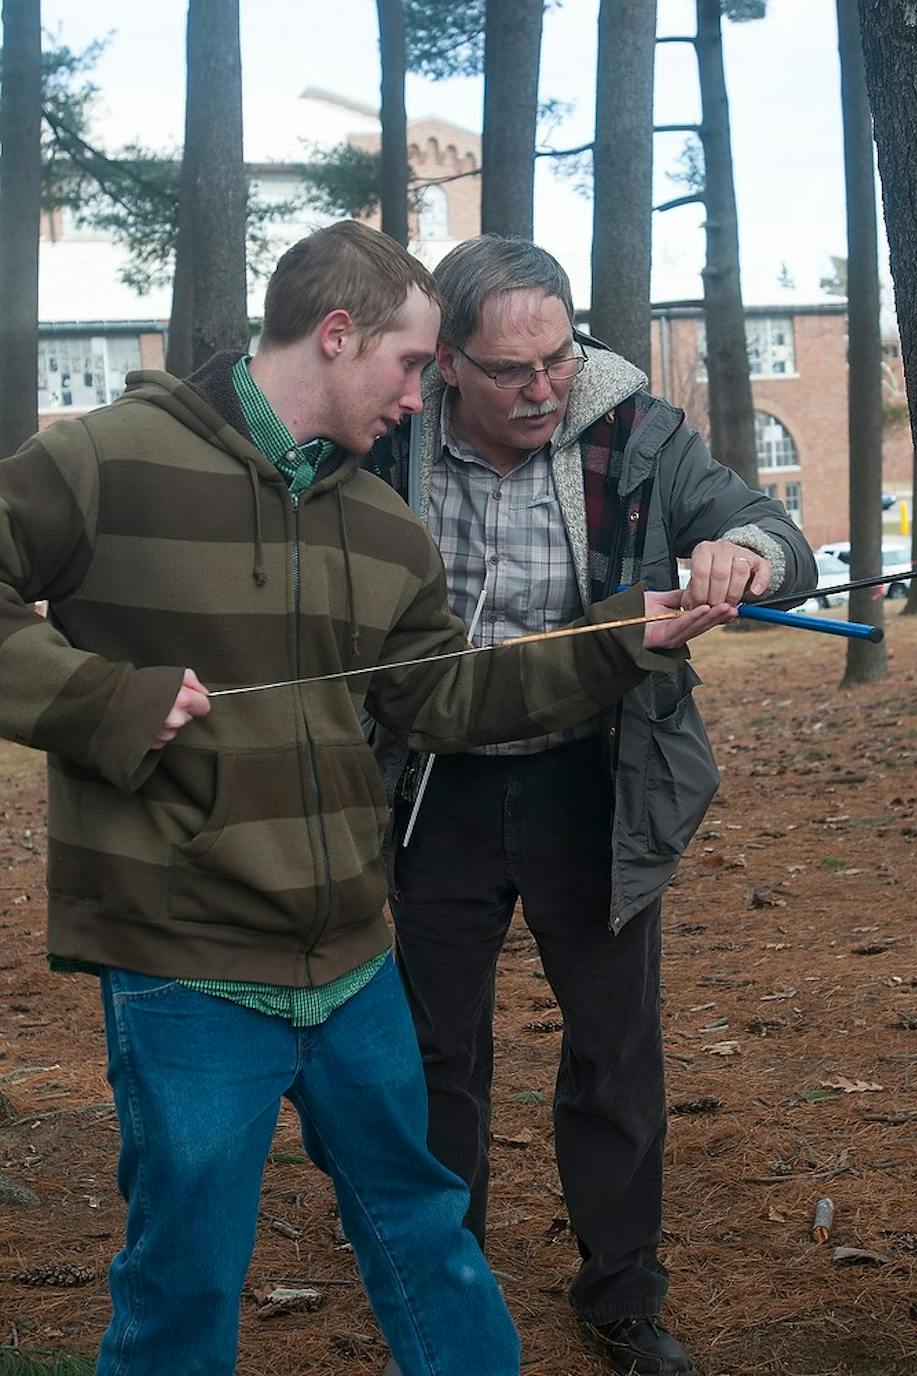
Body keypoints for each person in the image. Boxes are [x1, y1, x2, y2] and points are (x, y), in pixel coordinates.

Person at [0, 221, 735, 1376]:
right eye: (412, 364)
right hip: (184, 960)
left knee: (424, 1233)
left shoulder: (380, 524)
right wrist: (95, 697)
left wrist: (619, 643)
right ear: (337, 336)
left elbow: (447, 694)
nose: (421, 393)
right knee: (183, 1272)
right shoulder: (107, 460)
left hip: (350, 957)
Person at [364, 235, 816, 1376]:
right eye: (508, 368)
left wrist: (739, 553)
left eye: (556, 359)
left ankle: (621, 1295)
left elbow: (779, 531)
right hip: (433, 781)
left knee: (614, 1051)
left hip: (592, 778)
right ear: (447, 363)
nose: (539, 389)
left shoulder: (637, 431)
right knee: (432, 1052)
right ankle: (443, 1289)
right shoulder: (388, 437)